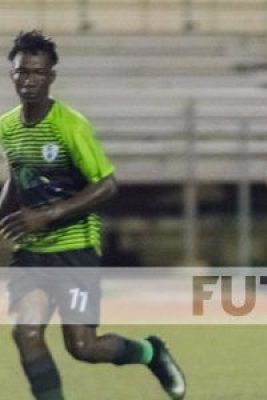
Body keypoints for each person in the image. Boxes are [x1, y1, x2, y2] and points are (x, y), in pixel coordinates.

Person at [0, 31, 186, 400]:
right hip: (32, 254)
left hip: (75, 252)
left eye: (37, 73)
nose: (29, 80)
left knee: (83, 346)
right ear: (11, 74)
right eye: (22, 72)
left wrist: (50, 213)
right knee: (26, 333)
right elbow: (18, 177)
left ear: (51, 76)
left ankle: (151, 352)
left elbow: (107, 185)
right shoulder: (8, 126)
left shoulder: (70, 125)